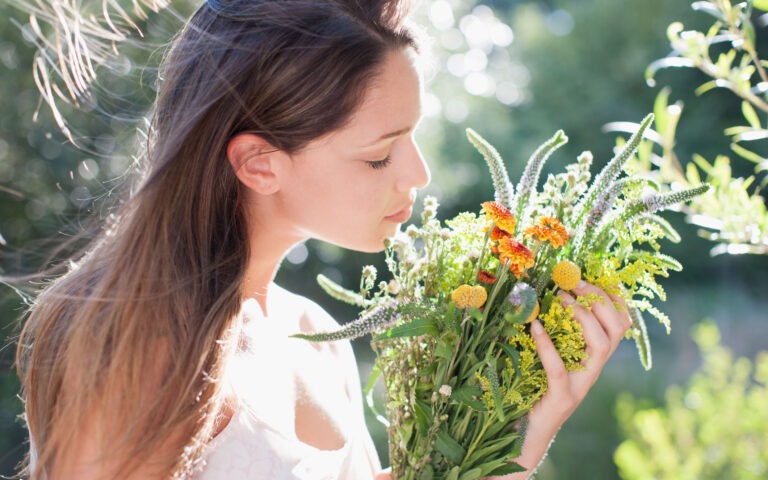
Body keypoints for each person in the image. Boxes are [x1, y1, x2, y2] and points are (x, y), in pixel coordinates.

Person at [10, 0, 634, 478]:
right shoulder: (135, 346)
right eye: (378, 156)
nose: (418, 175)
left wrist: (523, 433)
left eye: (412, 137)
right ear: (259, 164)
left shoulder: (314, 334)